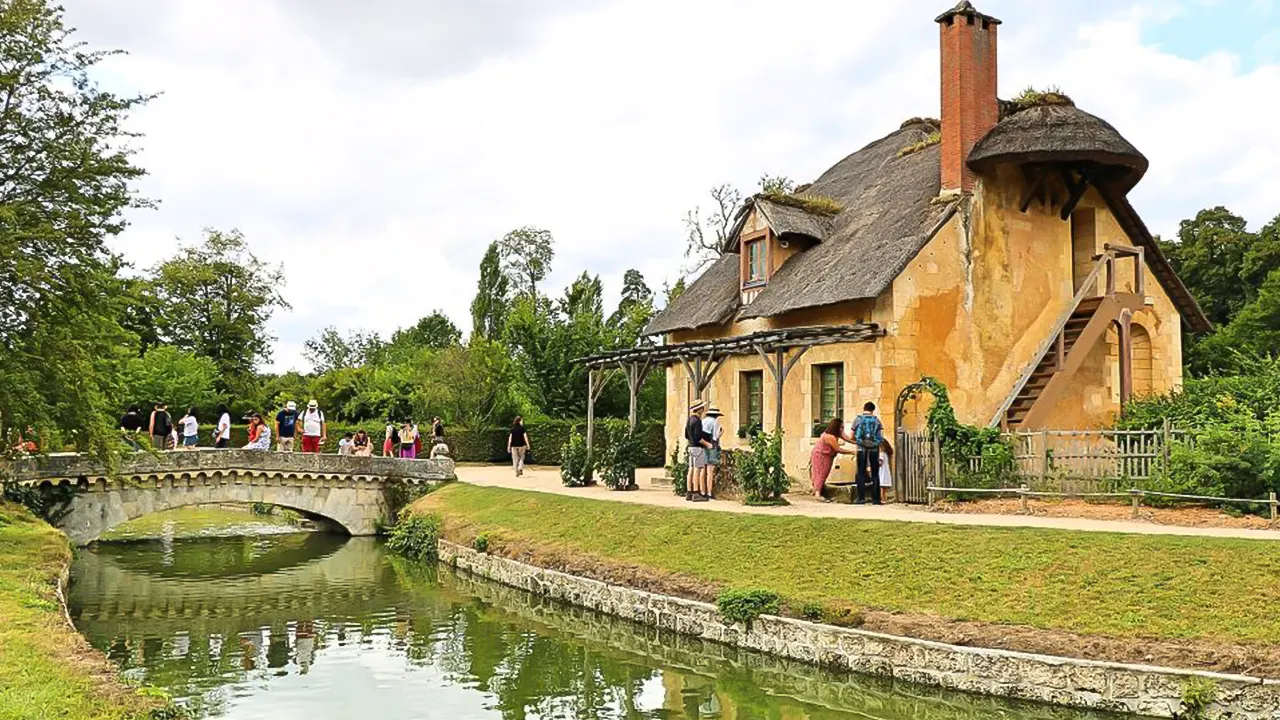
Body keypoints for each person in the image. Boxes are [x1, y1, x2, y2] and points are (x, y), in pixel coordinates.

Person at [810, 417, 857, 499]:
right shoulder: (830, 437)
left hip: (827, 455)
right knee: (821, 473)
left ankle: (815, 490)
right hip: (821, 455)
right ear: (836, 427)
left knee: (822, 473)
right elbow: (838, 449)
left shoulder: (837, 434)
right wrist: (852, 452)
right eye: (841, 427)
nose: (842, 429)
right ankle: (817, 493)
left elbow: (847, 439)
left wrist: (857, 442)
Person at [852, 402, 885, 505]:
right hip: (874, 449)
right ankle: (876, 499)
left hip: (861, 448)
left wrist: (858, 442)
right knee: (875, 473)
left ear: (864, 408)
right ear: (873, 410)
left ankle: (861, 498)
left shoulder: (857, 419)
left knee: (861, 472)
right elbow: (881, 437)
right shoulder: (877, 421)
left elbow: (851, 435)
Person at [684, 400, 712, 502]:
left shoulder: (689, 420)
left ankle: (689, 492)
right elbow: (699, 437)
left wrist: (692, 441)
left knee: (691, 469)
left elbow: (686, 435)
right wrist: (708, 444)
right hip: (697, 448)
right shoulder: (697, 421)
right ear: (699, 409)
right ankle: (697, 493)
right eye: (702, 408)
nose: (704, 410)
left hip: (691, 447)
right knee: (698, 469)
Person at [701, 406, 724, 500]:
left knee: (702, 470)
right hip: (711, 446)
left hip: (702, 446)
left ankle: (702, 491)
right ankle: (709, 492)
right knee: (710, 471)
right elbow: (715, 437)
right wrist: (721, 434)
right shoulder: (715, 422)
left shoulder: (703, 421)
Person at [878, 438, 894, 504]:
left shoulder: (881, 453)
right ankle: (884, 498)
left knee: (881, 486)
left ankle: (882, 498)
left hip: (882, 470)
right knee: (884, 486)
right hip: (885, 470)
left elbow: (880, 463)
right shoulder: (886, 454)